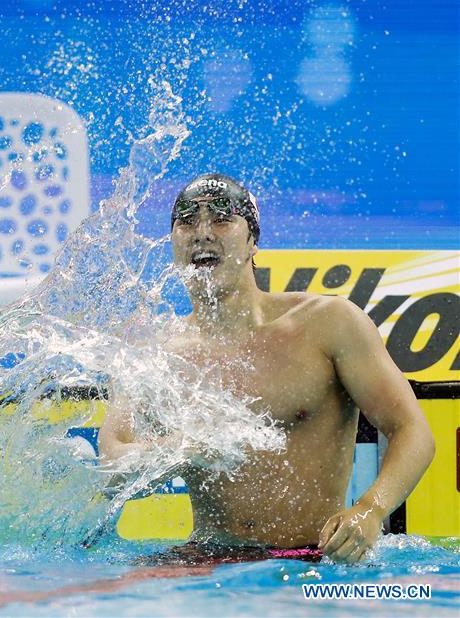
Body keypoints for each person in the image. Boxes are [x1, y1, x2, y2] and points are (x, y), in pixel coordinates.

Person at [98, 173, 435, 563]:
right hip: (207, 563)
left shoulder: (327, 324)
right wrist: (185, 449)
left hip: (310, 559)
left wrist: (371, 510)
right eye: (186, 221)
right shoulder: (155, 352)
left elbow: (413, 431)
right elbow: (112, 464)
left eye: (222, 218)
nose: (202, 233)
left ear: (252, 240)